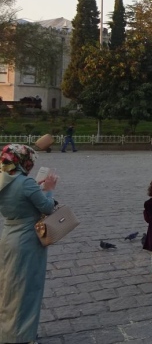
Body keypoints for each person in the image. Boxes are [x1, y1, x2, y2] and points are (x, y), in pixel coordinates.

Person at [0, 144, 58, 343]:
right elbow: (48, 208)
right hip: (27, 240)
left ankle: (7, 332)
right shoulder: (26, 183)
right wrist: (49, 189)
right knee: (27, 289)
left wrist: (36, 187)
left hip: (8, 236)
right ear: (22, 161)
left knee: (9, 288)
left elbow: (21, 199)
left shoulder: (4, 179)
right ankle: (23, 336)